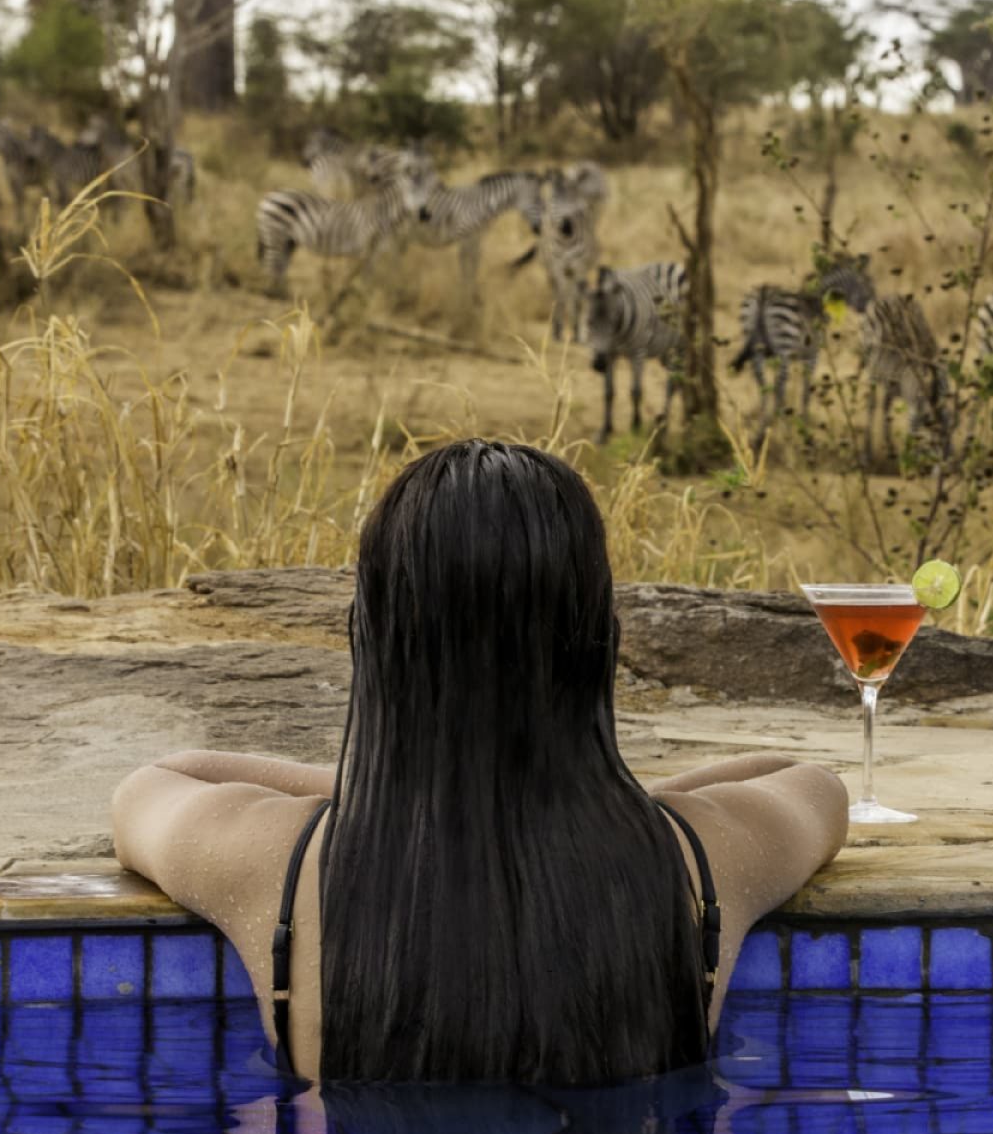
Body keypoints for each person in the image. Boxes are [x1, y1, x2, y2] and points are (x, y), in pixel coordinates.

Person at [113, 440, 848, 1086]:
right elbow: (808, 782)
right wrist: (580, 786)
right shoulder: (700, 854)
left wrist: (406, 788)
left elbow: (158, 782)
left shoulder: (278, 862)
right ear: (595, 638)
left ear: (372, 637)